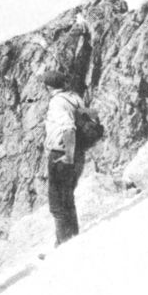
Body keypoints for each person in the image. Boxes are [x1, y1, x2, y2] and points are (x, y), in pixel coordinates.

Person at [42, 70, 85, 246]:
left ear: (48, 86)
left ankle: (64, 246)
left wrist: (68, 155)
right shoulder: (74, 97)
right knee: (68, 200)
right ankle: (72, 240)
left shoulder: (57, 103)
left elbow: (68, 128)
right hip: (78, 153)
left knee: (57, 205)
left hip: (62, 155)